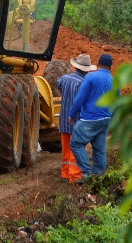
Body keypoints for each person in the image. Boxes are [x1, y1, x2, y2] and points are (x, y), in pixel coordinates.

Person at [68, 53, 116, 184]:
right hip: (106, 118)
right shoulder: (115, 81)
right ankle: (99, 176)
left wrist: (71, 114)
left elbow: (80, 97)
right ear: (110, 67)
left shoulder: (91, 76)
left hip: (90, 118)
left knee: (76, 143)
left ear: (98, 64)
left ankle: (87, 174)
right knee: (99, 148)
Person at [56, 54, 97, 184]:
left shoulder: (64, 78)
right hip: (77, 122)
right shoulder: (83, 83)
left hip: (63, 121)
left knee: (66, 149)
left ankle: (65, 173)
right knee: (77, 149)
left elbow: (58, 84)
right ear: (87, 69)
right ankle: (74, 177)